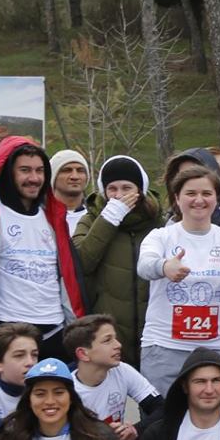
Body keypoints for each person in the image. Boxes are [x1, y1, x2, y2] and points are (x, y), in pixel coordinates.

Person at [0, 135, 86, 358]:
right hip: (9, 332)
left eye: (39, 171)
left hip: (56, 330)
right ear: (7, 173)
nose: (34, 178)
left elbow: (69, 277)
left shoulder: (53, 218)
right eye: (25, 170)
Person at [137, 162, 220, 393]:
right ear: (177, 198)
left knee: (215, 413)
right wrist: (164, 266)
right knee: (162, 414)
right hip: (165, 347)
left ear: (216, 198)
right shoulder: (160, 237)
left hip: (217, 347)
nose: (199, 200)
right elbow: (144, 266)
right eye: (191, 193)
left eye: (207, 193)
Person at [72, 156, 156, 366]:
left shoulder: (156, 222)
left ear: (140, 190)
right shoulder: (90, 220)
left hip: (152, 328)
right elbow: (81, 263)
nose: (119, 195)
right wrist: (109, 219)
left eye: (127, 188)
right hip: (109, 330)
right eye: (112, 189)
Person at [64, 314, 158, 440]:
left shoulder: (122, 370)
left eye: (115, 338)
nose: (118, 345)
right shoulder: (66, 390)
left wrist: (135, 431)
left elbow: (161, 408)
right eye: (107, 340)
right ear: (83, 354)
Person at [47, 149, 93, 235]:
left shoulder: (97, 217)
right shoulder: (41, 217)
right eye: (67, 170)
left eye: (80, 170)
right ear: (53, 177)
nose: (75, 176)